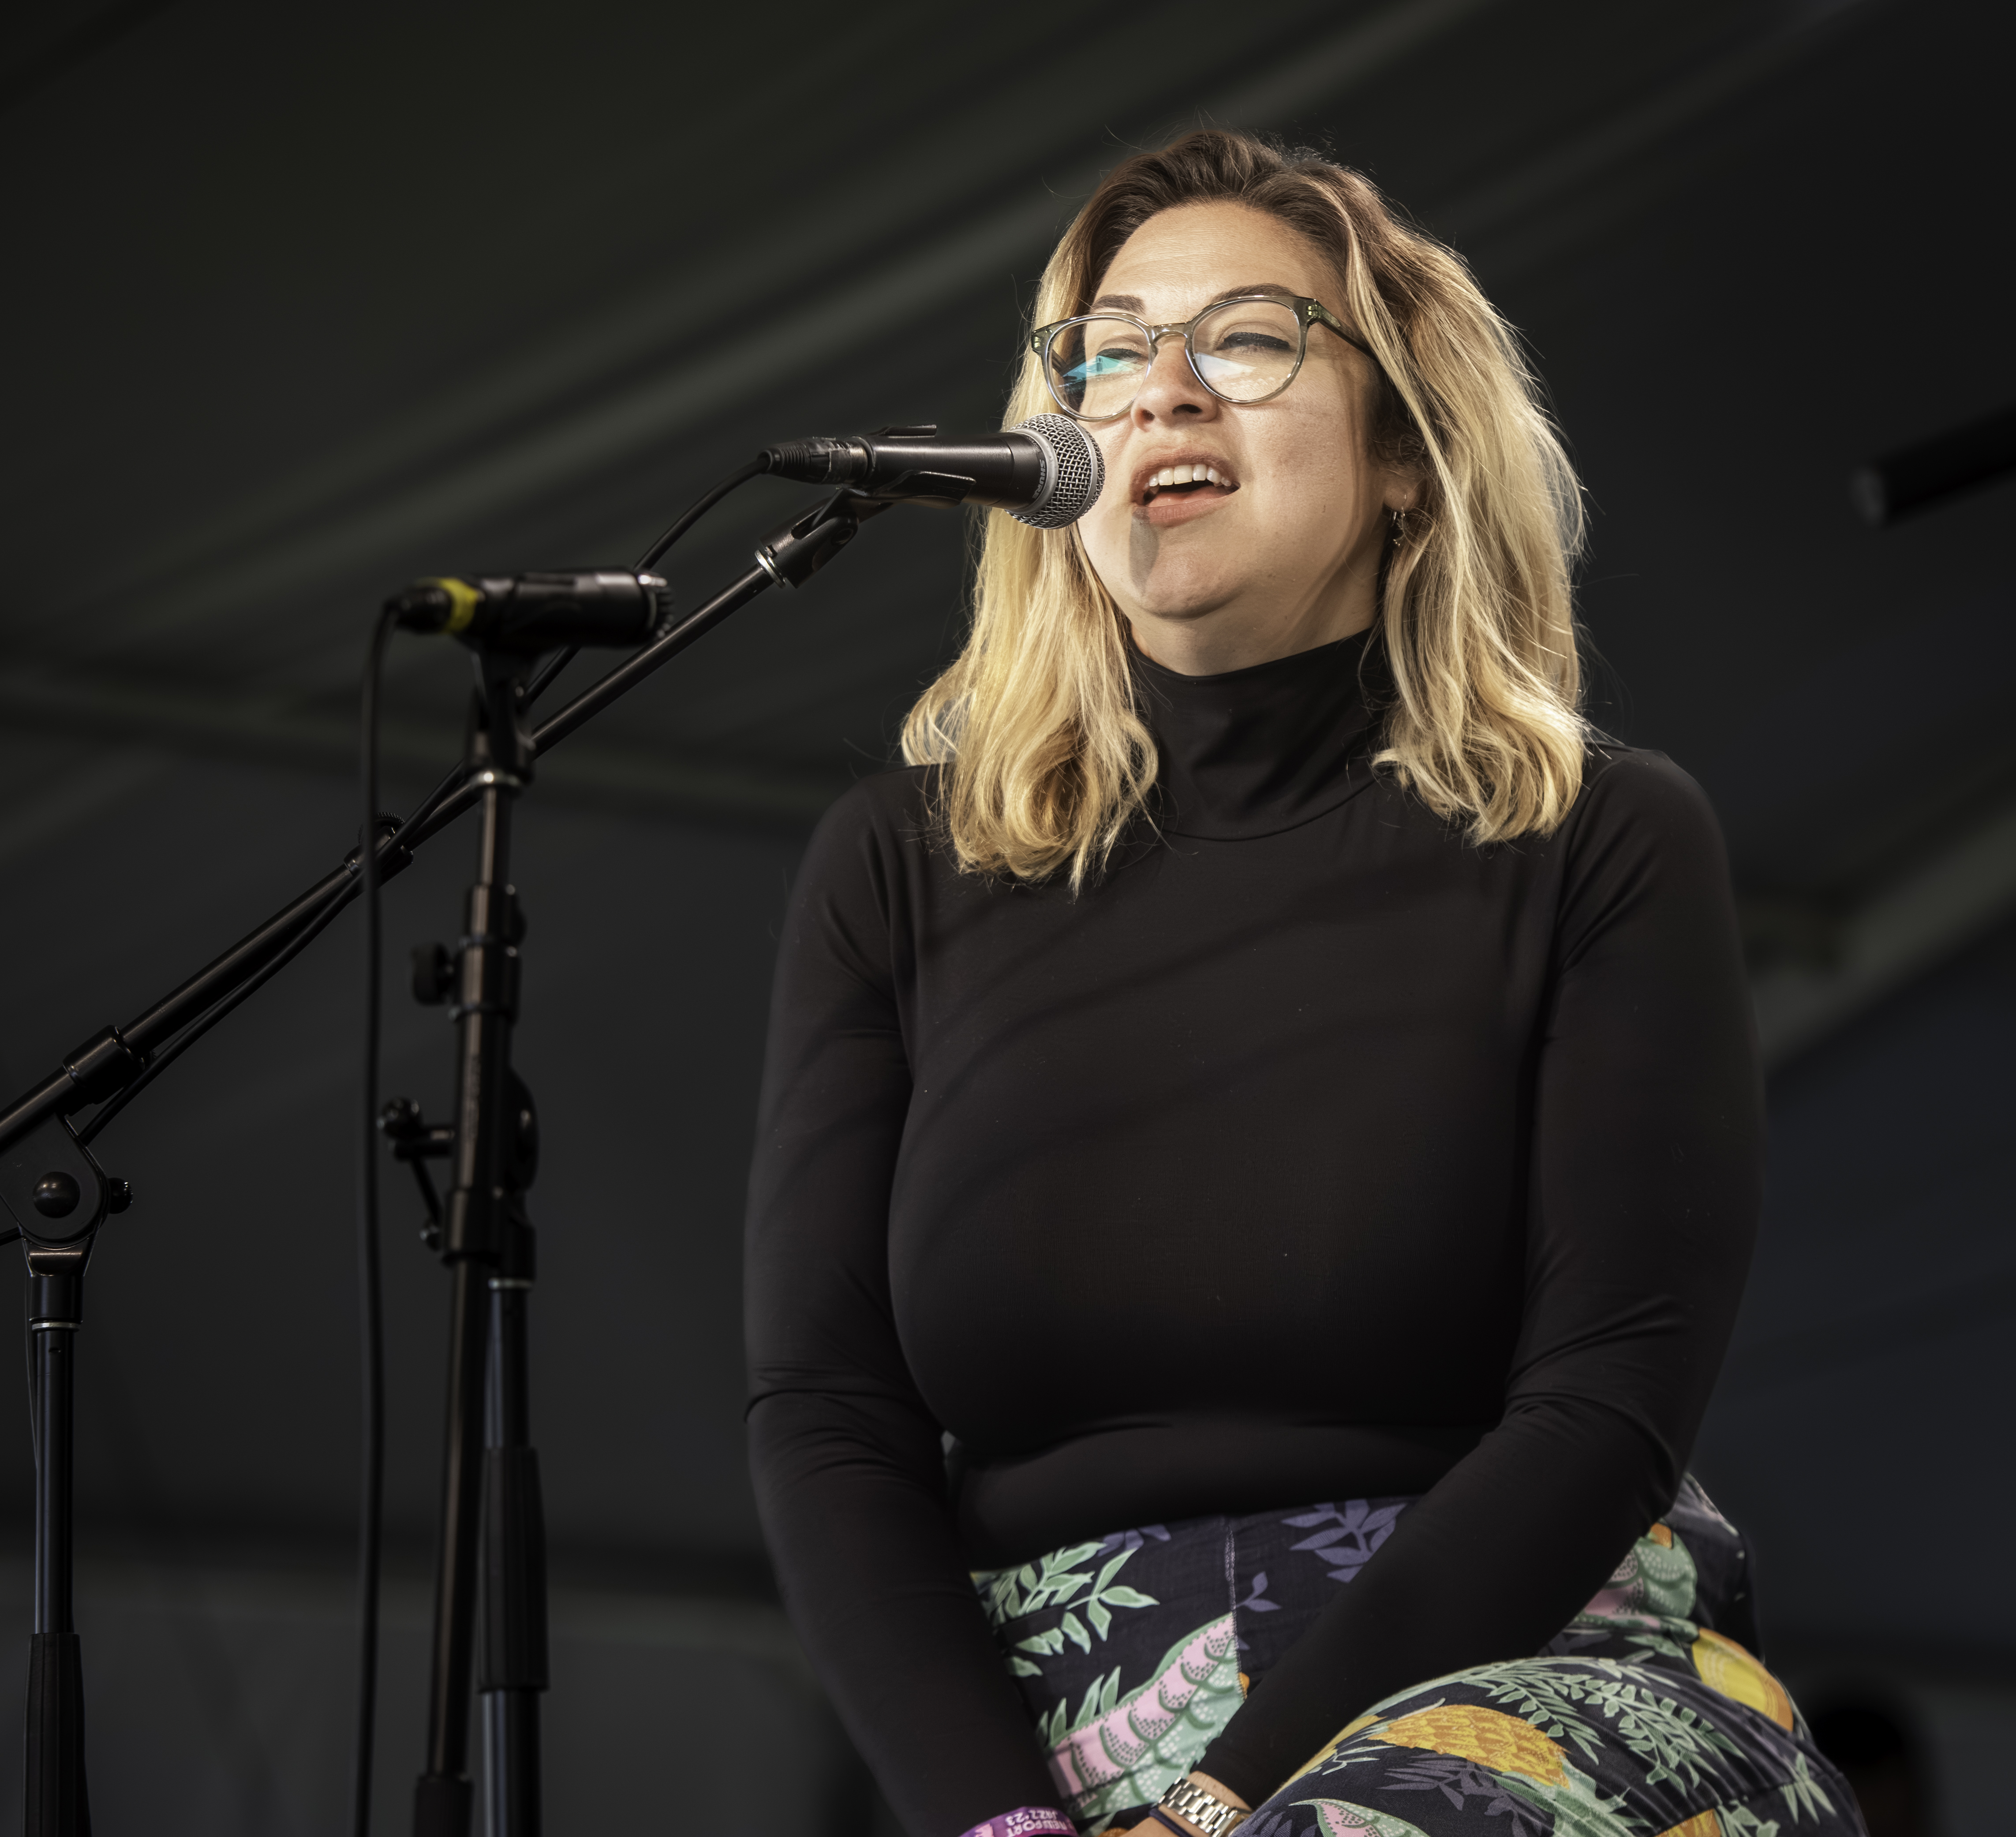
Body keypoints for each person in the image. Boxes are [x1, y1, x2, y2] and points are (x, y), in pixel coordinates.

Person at [744, 130, 1862, 1837]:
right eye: (1108, 354)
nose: (1162, 394)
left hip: (1511, 1683)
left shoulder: (1597, 838)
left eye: (1249, 339)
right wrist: (1008, 1823)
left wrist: (1223, 1808)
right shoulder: (900, 863)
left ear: (1408, 453)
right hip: (1042, 1729)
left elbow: (1606, 1403)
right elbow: (827, 1418)